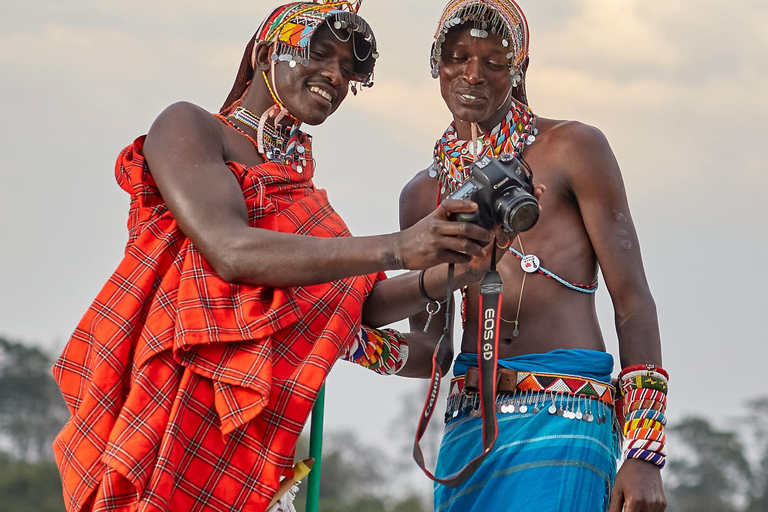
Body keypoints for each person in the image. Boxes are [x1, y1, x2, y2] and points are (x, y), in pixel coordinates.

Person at [51, 2, 502, 511]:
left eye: (348, 71)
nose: (334, 76)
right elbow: (229, 249)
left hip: (257, 449)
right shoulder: (191, 127)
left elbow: (364, 306)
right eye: (321, 54)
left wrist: (455, 269)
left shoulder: (311, 207)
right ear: (267, 52)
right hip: (160, 409)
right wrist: (400, 248)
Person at [399, 1, 667, 511]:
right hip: (467, 433)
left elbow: (634, 303)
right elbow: (430, 347)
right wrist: (340, 334)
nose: (472, 75)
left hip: (567, 415)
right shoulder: (421, 195)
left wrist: (645, 452)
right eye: (457, 57)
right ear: (437, 63)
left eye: (494, 62)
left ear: (519, 68)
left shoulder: (573, 148)